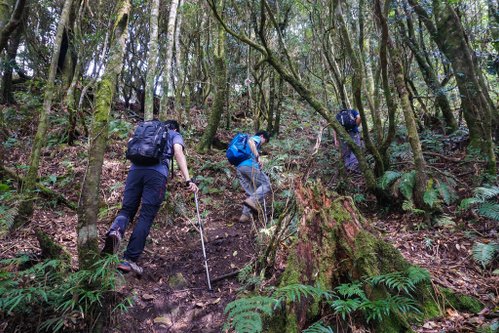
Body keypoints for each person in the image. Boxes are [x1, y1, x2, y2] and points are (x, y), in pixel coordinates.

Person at [102, 119, 198, 274]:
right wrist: (188, 179)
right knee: (146, 215)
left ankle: (115, 231)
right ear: (175, 128)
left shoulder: (147, 130)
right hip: (156, 174)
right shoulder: (174, 134)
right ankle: (129, 260)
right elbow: (178, 152)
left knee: (127, 210)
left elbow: (131, 143)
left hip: (135, 171)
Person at [236, 130, 271, 223]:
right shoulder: (256, 138)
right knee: (266, 184)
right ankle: (252, 201)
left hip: (240, 168)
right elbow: (251, 141)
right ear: (262, 136)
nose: (263, 144)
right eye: (265, 141)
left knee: (253, 191)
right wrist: (258, 156)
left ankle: (245, 215)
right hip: (248, 166)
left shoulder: (245, 146)